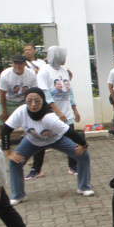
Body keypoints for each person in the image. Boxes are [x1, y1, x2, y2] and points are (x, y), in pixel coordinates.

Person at [1, 89, 94, 205]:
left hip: (57, 139)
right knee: (15, 161)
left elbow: (69, 132)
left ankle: (84, 187)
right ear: (25, 101)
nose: (33, 104)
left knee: (83, 155)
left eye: (37, 101)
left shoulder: (49, 117)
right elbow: (5, 130)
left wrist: (84, 145)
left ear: (43, 101)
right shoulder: (20, 112)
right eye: (29, 101)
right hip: (32, 141)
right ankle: (18, 195)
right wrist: (8, 153)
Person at [34, 46, 80, 178]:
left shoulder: (64, 71)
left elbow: (69, 91)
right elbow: (45, 93)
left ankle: (73, 166)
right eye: (63, 56)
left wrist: (74, 109)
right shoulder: (44, 71)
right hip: (51, 113)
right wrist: (57, 111)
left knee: (72, 139)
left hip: (67, 113)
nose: (65, 59)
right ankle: (36, 169)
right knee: (42, 139)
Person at [0, 55, 37, 143]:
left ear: (24, 64)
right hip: (7, 100)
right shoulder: (5, 75)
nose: (17, 66)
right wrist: (4, 110)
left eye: (19, 64)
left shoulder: (31, 74)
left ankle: (32, 141)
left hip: (23, 101)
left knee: (32, 120)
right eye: (15, 63)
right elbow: (2, 94)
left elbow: (34, 91)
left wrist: (31, 105)